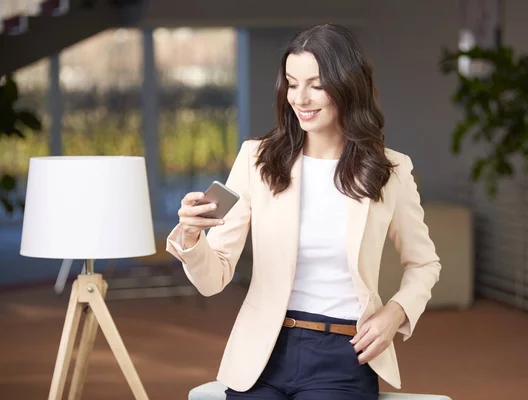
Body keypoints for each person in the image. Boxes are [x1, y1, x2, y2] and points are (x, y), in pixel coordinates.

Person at [166, 23, 441, 400]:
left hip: (343, 354)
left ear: (348, 85)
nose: (301, 98)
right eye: (292, 84)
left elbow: (424, 264)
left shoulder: (389, 170)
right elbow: (213, 279)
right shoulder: (257, 160)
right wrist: (193, 238)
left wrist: (395, 313)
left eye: (316, 84)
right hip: (261, 352)